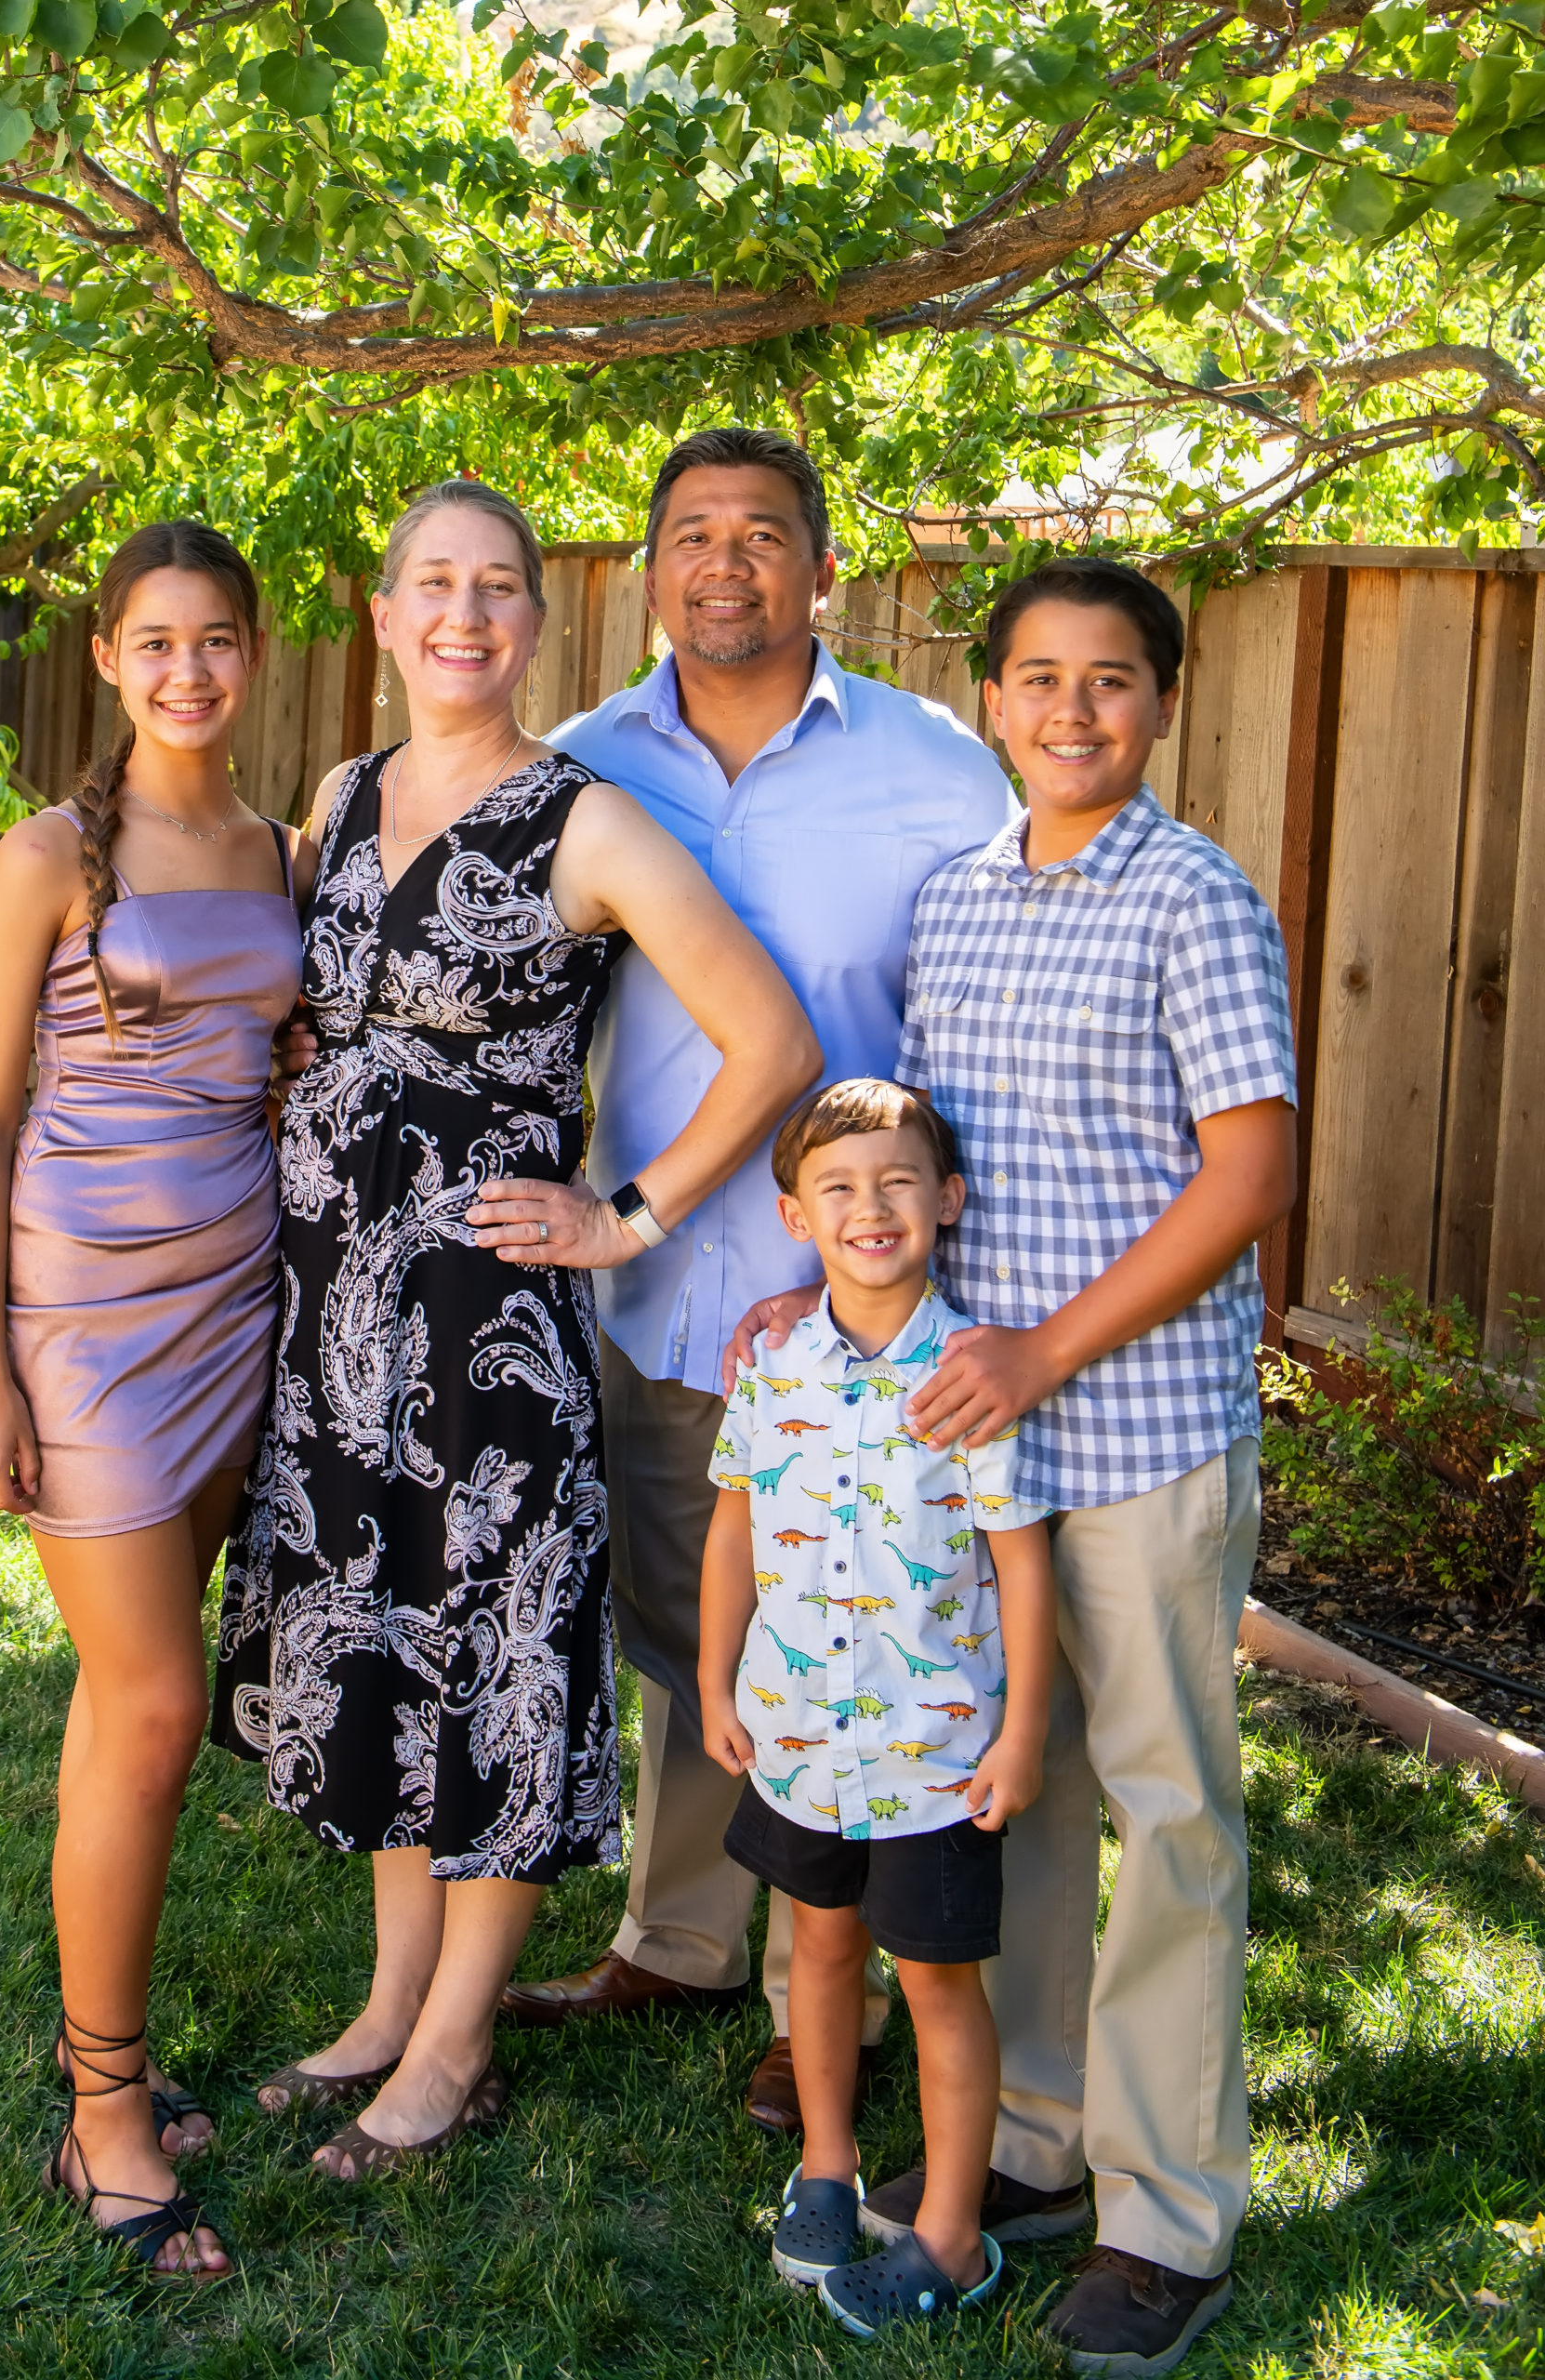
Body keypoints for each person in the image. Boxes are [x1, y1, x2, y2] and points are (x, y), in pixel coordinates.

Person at [211, 479, 819, 2178]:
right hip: (332, 1313)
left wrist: (624, 1217)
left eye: (500, 589)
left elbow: (771, 1043)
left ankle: (463, 2037)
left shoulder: (590, 823)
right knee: (378, 1639)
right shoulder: (338, 800)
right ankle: (395, 1995)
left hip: (486, 1325)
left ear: (540, 624)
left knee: (482, 1651)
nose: (465, 614)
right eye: (434, 585)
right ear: (388, 613)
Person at [732, 556, 1298, 2373]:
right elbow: (902, 1159)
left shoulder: (1193, 899)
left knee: (1165, 1809)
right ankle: (1039, 2139)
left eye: (1109, 678)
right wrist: (807, 1294)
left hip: (1130, 1431)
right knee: (1012, 1794)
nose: (1070, 708)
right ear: (992, 702)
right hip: (969, 1461)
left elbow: (1248, 1169)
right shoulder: (961, 900)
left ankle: (1166, 2208)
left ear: (1160, 701)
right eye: (1037, 676)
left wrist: (1047, 1345)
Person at [495, 425, 1021, 2134]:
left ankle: (850, 1986)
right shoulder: (571, 766)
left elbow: (988, 1028)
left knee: (879, 1635)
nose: (729, 565)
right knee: (688, 1623)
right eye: (695, 535)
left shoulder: (940, 771)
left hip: (869, 1316)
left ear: (822, 566)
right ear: (650, 569)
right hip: (655, 1288)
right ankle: (684, 1935)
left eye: (766, 535)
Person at [0, 520, 308, 2281]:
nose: (188, 671)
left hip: (237, 1303)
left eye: (217, 640)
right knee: (161, 1707)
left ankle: (122, 2067)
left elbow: (274, 1053)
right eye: (154, 642)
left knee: (120, 1703)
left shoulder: (274, 843)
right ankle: (99, 2117)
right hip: (84, 1322)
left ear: (253, 653)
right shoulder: (51, 854)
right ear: (107, 658)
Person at [697, 1078, 1054, 2338]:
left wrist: (1017, 1736)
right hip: (797, 1733)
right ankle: (831, 2170)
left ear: (947, 1201)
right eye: (840, 1188)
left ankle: (952, 2235)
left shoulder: (969, 1376)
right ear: (796, 1216)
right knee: (821, 1949)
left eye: (899, 1181)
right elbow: (733, 1524)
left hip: (936, 1758)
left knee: (939, 1982)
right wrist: (710, 1674)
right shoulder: (770, 1368)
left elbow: (1019, 1561)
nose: (872, 1207)